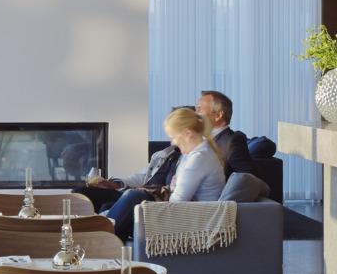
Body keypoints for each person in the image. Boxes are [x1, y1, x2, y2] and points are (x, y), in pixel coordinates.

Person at [106, 106, 225, 238]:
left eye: (173, 137)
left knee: (133, 197)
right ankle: (103, 235)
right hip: (190, 211)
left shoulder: (199, 158)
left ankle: (102, 239)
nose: (172, 142)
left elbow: (178, 202)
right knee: (129, 200)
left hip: (194, 218)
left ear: (187, 133)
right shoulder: (195, 154)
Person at [196, 89, 263, 192]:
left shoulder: (231, 142)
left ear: (218, 115)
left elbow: (248, 178)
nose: (195, 114)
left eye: (200, 109)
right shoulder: (197, 139)